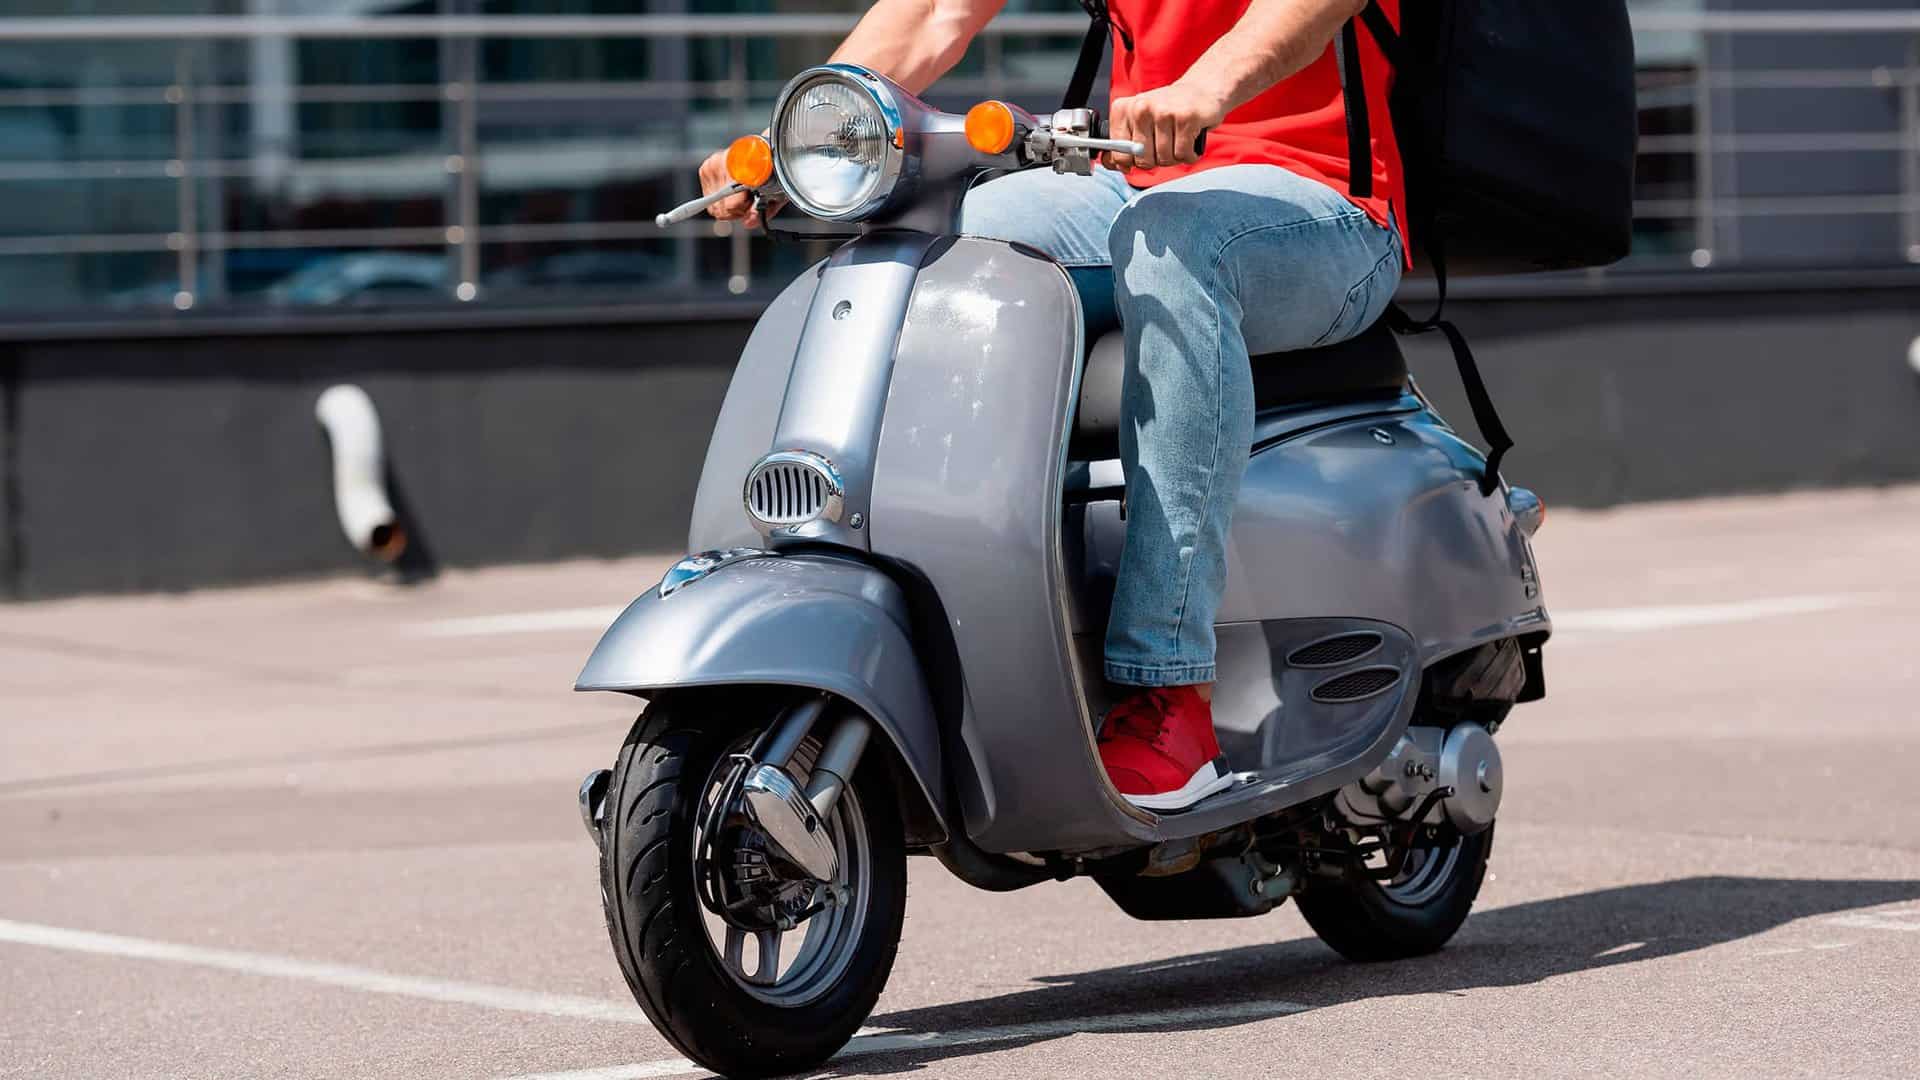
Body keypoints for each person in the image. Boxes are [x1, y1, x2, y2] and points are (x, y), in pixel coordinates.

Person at [696, 0, 1404, 811]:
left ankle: (1170, 691)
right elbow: (934, 14)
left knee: (1174, 241)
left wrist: (1206, 88)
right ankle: (938, 615)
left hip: (1328, 213)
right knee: (935, 231)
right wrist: (801, 144)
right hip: (1134, 185)